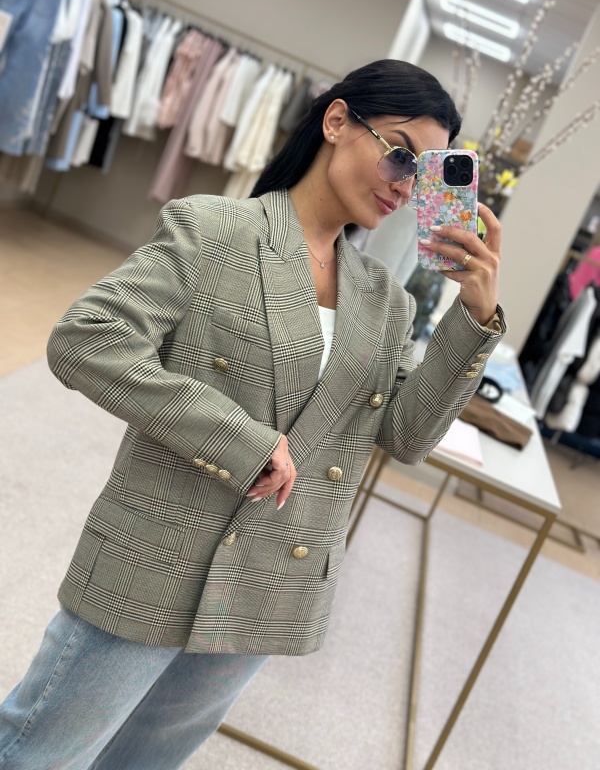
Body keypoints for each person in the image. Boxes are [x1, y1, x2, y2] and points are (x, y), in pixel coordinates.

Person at [0, 59, 505, 769]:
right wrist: (240, 440)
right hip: (159, 551)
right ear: (337, 121)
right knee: (40, 752)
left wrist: (474, 315)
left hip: (275, 579)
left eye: (424, 174)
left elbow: (406, 435)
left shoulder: (385, 301)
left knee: (147, 760)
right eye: (399, 153)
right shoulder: (215, 231)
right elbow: (87, 340)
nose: (405, 184)